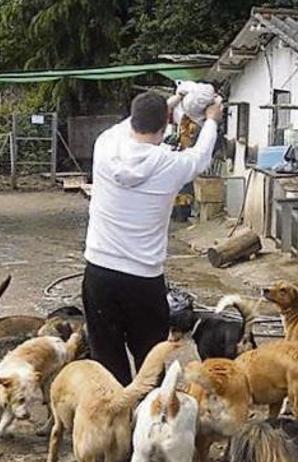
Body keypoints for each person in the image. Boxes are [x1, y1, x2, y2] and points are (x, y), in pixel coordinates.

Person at [82, 90, 223, 385]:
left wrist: (171, 101)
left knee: (106, 360)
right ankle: (150, 422)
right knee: (150, 358)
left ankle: (116, 422)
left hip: (99, 274)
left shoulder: (105, 146)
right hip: (143, 280)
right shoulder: (170, 164)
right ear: (164, 127)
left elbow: (130, 125)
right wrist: (210, 120)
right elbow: (201, 156)